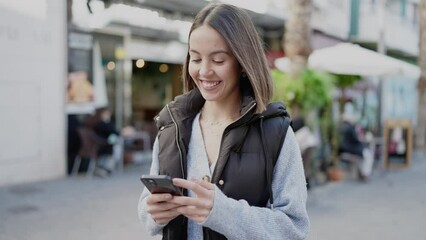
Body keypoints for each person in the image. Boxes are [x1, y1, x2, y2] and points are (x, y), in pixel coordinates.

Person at [137, 3, 309, 239]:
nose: (204, 71)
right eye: (196, 59)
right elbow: (147, 213)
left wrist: (223, 212)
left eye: (218, 60)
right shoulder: (172, 126)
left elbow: (294, 230)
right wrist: (153, 212)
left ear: (242, 62)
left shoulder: (275, 132)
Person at [338, 112, 374, 181]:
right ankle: (365, 173)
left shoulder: (346, 127)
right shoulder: (350, 128)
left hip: (350, 148)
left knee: (366, 155)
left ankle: (364, 173)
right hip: (351, 149)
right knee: (368, 154)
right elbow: (356, 139)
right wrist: (363, 139)